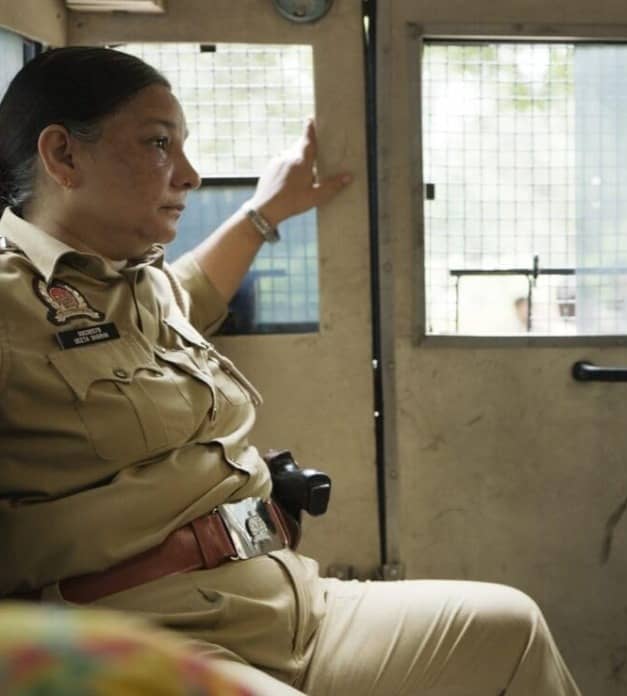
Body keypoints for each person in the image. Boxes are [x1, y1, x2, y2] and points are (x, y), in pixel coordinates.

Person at [0, 46, 582, 696]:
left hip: (284, 602)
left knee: (509, 631)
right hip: (137, 637)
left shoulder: (141, 283)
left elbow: (195, 288)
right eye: (159, 143)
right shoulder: (10, 305)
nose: (189, 174)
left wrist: (266, 211)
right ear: (64, 156)